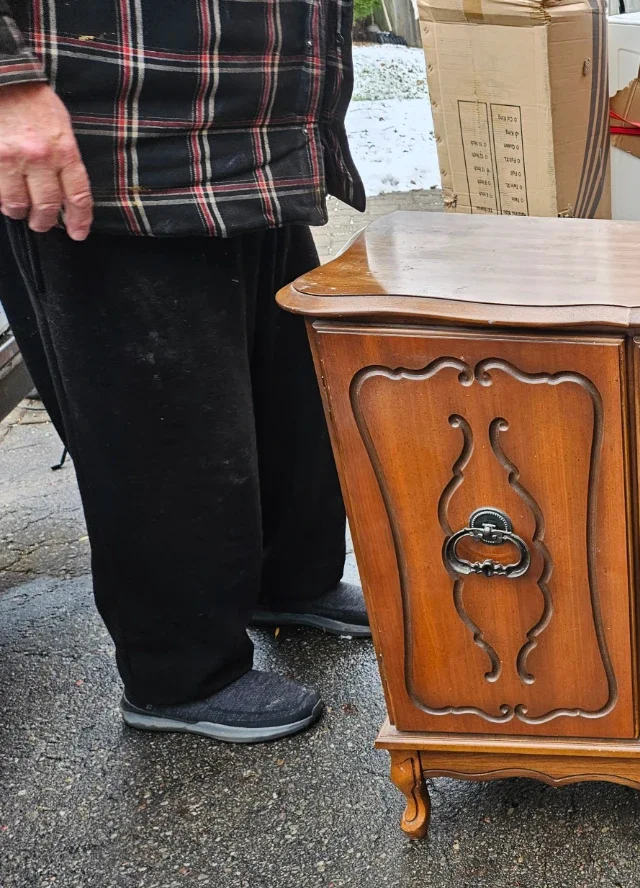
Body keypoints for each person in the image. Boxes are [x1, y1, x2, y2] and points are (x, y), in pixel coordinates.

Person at [0, 2, 369, 743]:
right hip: (118, 147)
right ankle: (180, 671)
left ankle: (288, 582)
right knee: (166, 434)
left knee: (289, 401)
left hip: (253, 136)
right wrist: (9, 86)